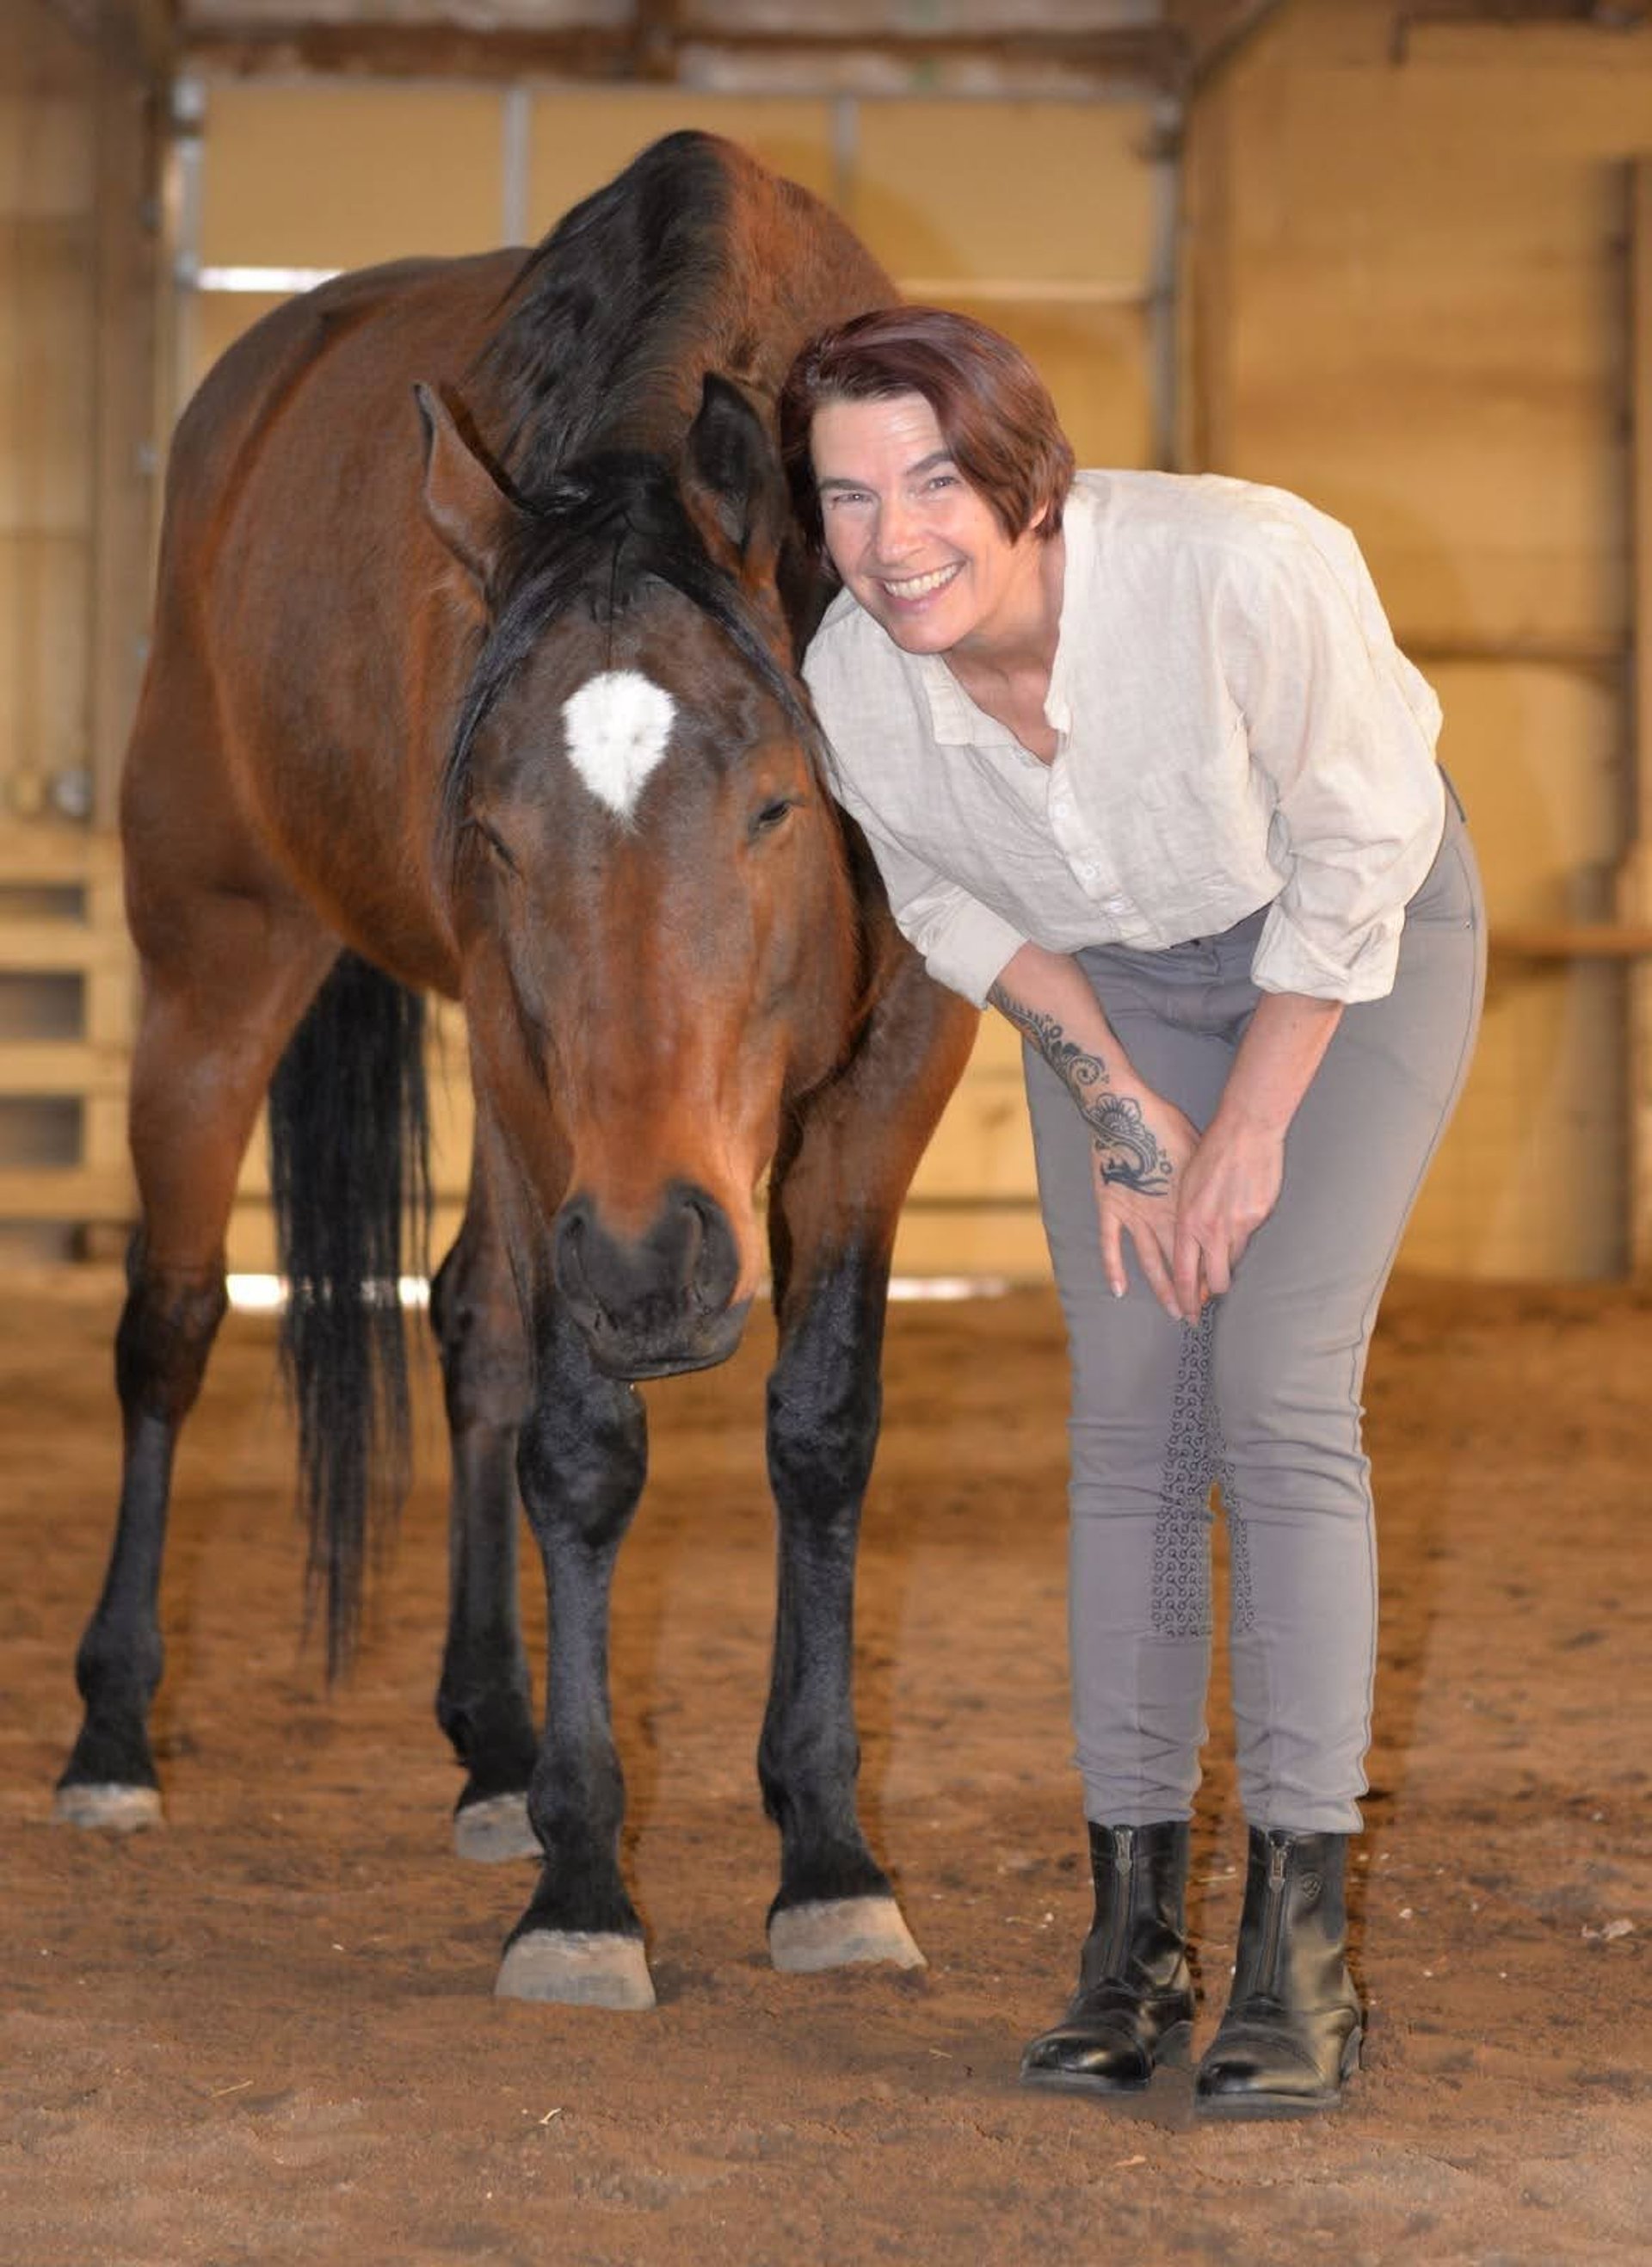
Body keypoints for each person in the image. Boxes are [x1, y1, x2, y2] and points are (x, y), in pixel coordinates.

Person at [776, 306, 1484, 2119]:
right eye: (847, 494)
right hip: (1114, 987)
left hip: (1357, 943)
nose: (891, 535)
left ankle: (1301, 1953)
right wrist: (1112, 1097)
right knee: (1133, 1424)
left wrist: (1248, 1123)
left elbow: (1358, 845)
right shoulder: (857, 674)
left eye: (933, 479)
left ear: (1023, 479)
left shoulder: (1245, 567)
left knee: (1271, 1392)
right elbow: (946, 907)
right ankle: (1134, 1940)